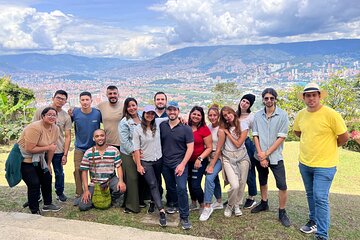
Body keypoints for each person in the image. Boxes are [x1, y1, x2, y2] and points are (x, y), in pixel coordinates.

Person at [293, 83, 348, 240]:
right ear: (304, 98)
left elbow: (344, 137)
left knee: (320, 198)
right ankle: (313, 221)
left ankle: (322, 235)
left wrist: (331, 146)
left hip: (325, 165)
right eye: (308, 95)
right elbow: (297, 132)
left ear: (319, 96)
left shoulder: (331, 114)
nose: (311, 98)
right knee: (310, 194)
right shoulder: (301, 115)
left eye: (314, 95)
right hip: (305, 163)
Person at [251, 88, 291, 227]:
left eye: (271, 98)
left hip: (275, 156)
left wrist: (266, 154)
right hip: (260, 155)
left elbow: (281, 137)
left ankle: (282, 211)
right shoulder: (257, 116)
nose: (269, 100)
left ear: (275, 99)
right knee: (262, 181)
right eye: (266, 98)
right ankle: (264, 203)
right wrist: (261, 156)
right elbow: (255, 135)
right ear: (263, 99)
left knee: (282, 185)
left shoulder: (283, 115)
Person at [18, 107, 62, 214]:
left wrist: (48, 164)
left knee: (47, 178)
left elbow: (53, 147)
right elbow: (29, 148)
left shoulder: (55, 128)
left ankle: (47, 204)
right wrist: (48, 148)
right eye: (49, 115)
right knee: (34, 183)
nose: (52, 117)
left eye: (54, 115)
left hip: (40, 158)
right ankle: (34, 209)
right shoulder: (34, 127)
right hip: (25, 159)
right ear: (43, 116)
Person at [32, 90, 72, 202]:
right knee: (41, 172)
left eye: (63, 99)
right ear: (53, 98)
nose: (60, 100)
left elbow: (68, 136)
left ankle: (60, 192)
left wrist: (65, 154)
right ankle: (39, 194)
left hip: (58, 149)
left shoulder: (65, 116)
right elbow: (33, 128)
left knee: (59, 172)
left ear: (65, 101)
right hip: (41, 149)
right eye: (58, 97)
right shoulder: (41, 111)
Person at [160, 101, 194, 230]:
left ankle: (184, 216)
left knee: (181, 188)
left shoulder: (186, 128)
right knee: (170, 187)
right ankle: (172, 204)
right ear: (167, 111)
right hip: (165, 163)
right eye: (170, 110)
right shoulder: (162, 125)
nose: (172, 112)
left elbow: (190, 148)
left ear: (178, 111)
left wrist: (182, 164)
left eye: (174, 110)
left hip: (180, 163)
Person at [133, 105, 167, 226]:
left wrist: (182, 119)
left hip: (158, 159)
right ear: (144, 114)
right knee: (152, 184)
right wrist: (138, 165)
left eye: (152, 113)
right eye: (148, 113)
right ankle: (161, 210)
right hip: (146, 161)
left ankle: (153, 202)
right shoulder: (137, 129)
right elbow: (136, 149)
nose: (150, 115)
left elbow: (171, 118)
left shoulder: (157, 123)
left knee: (158, 182)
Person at [79, 129, 126, 211]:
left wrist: (121, 181)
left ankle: (111, 197)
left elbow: (118, 166)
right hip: (96, 183)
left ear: (105, 137)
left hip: (110, 179)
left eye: (102, 135)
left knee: (121, 188)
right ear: (94, 138)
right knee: (83, 206)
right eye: (97, 136)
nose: (100, 138)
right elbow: (84, 172)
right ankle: (95, 197)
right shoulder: (88, 152)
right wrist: (86, 190)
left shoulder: (114, 150)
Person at [219, 106, 250, 218]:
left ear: (233, 112)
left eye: (229, 113)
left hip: (242, 156)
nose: (228, 116)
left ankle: (237, 205)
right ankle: (230, 205)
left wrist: (228, 133)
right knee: (235, 185)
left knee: (242, 183)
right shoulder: (224, 127)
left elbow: (238, 144)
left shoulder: (243, 125)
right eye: (225, 115)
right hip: (228, 157)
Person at [71, 92, 102, 205]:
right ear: (79, 101)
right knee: (78, 170)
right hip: (79, 147)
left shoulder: (97, 113)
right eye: (82, 100)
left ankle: (93, 193)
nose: (85, 102)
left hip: (94, 148)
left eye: (87, 100)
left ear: (91, 101)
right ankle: (79, 194)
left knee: (94, 172)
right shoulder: (75, 112)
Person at [199, 105, 224, 221]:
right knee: (214, 179)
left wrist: (211, 165)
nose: (212, 117)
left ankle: (207, 206)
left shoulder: (221, 129)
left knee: (209, 178)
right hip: (209, 156)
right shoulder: (209, 127)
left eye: (215, 115)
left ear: (218, 116)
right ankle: (219, 201)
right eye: (210, 115)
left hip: (218, 158)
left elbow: (218, 149)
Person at [119, 97, 141, 213]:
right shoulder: (124, 122)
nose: (132, 108)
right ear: (126, 108)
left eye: (134, 105)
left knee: (141, 177)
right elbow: (124, 140)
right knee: (132, 178)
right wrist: (133, 152)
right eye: (129, 106)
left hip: (141, 152)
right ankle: (131, 205)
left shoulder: (142, 116)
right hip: (128, 153)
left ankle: (141, 201)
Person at [187, 106, 212, 212]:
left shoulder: (204, 129)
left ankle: (202, 204)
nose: (196, 116)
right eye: (194, 114)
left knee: (195, 184)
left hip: (199, 160)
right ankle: (193, 202)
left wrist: (200, 158)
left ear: (202, 117)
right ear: (190, 114)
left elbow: (209, 147)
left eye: (198, 115)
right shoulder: (185, 126)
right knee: (189, 182)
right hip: (187, 160)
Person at [236, 93, 258, 209]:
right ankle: (235, 196)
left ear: (250, 105)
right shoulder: (235, 115)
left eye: (247, 102)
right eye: (243, 101)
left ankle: (251, 197)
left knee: (249, 171)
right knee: (236, 172)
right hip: (233, 145)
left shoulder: (251, 117)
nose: (244, 104)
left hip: (246, 145)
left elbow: (255, 133)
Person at [97, 85, 123, 150]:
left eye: (115, 93)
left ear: (118, 94)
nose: (112, 95)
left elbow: (137, 110)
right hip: (107, 143)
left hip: (122, 144)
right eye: (110, 94)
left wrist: (151, 108)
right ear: (107, 95)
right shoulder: (101, 106)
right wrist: (74, 109)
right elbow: (89, 110)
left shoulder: (124, 106)